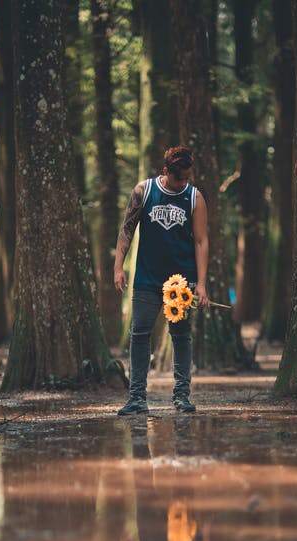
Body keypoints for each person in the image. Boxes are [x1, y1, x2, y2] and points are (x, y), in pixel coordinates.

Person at [114, 145, 209, 416]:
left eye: (189, 176)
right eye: (180, 177)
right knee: (139, 333)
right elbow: (126, 230)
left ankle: (181, 396)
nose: (185, 182)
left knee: (180, 335)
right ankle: (137, 399)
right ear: (166, 171)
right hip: (146, 277)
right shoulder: (143, 192)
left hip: (181, 280)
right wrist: (118, 267)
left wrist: (200, 284)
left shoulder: (194, 197)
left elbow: (202, 241)